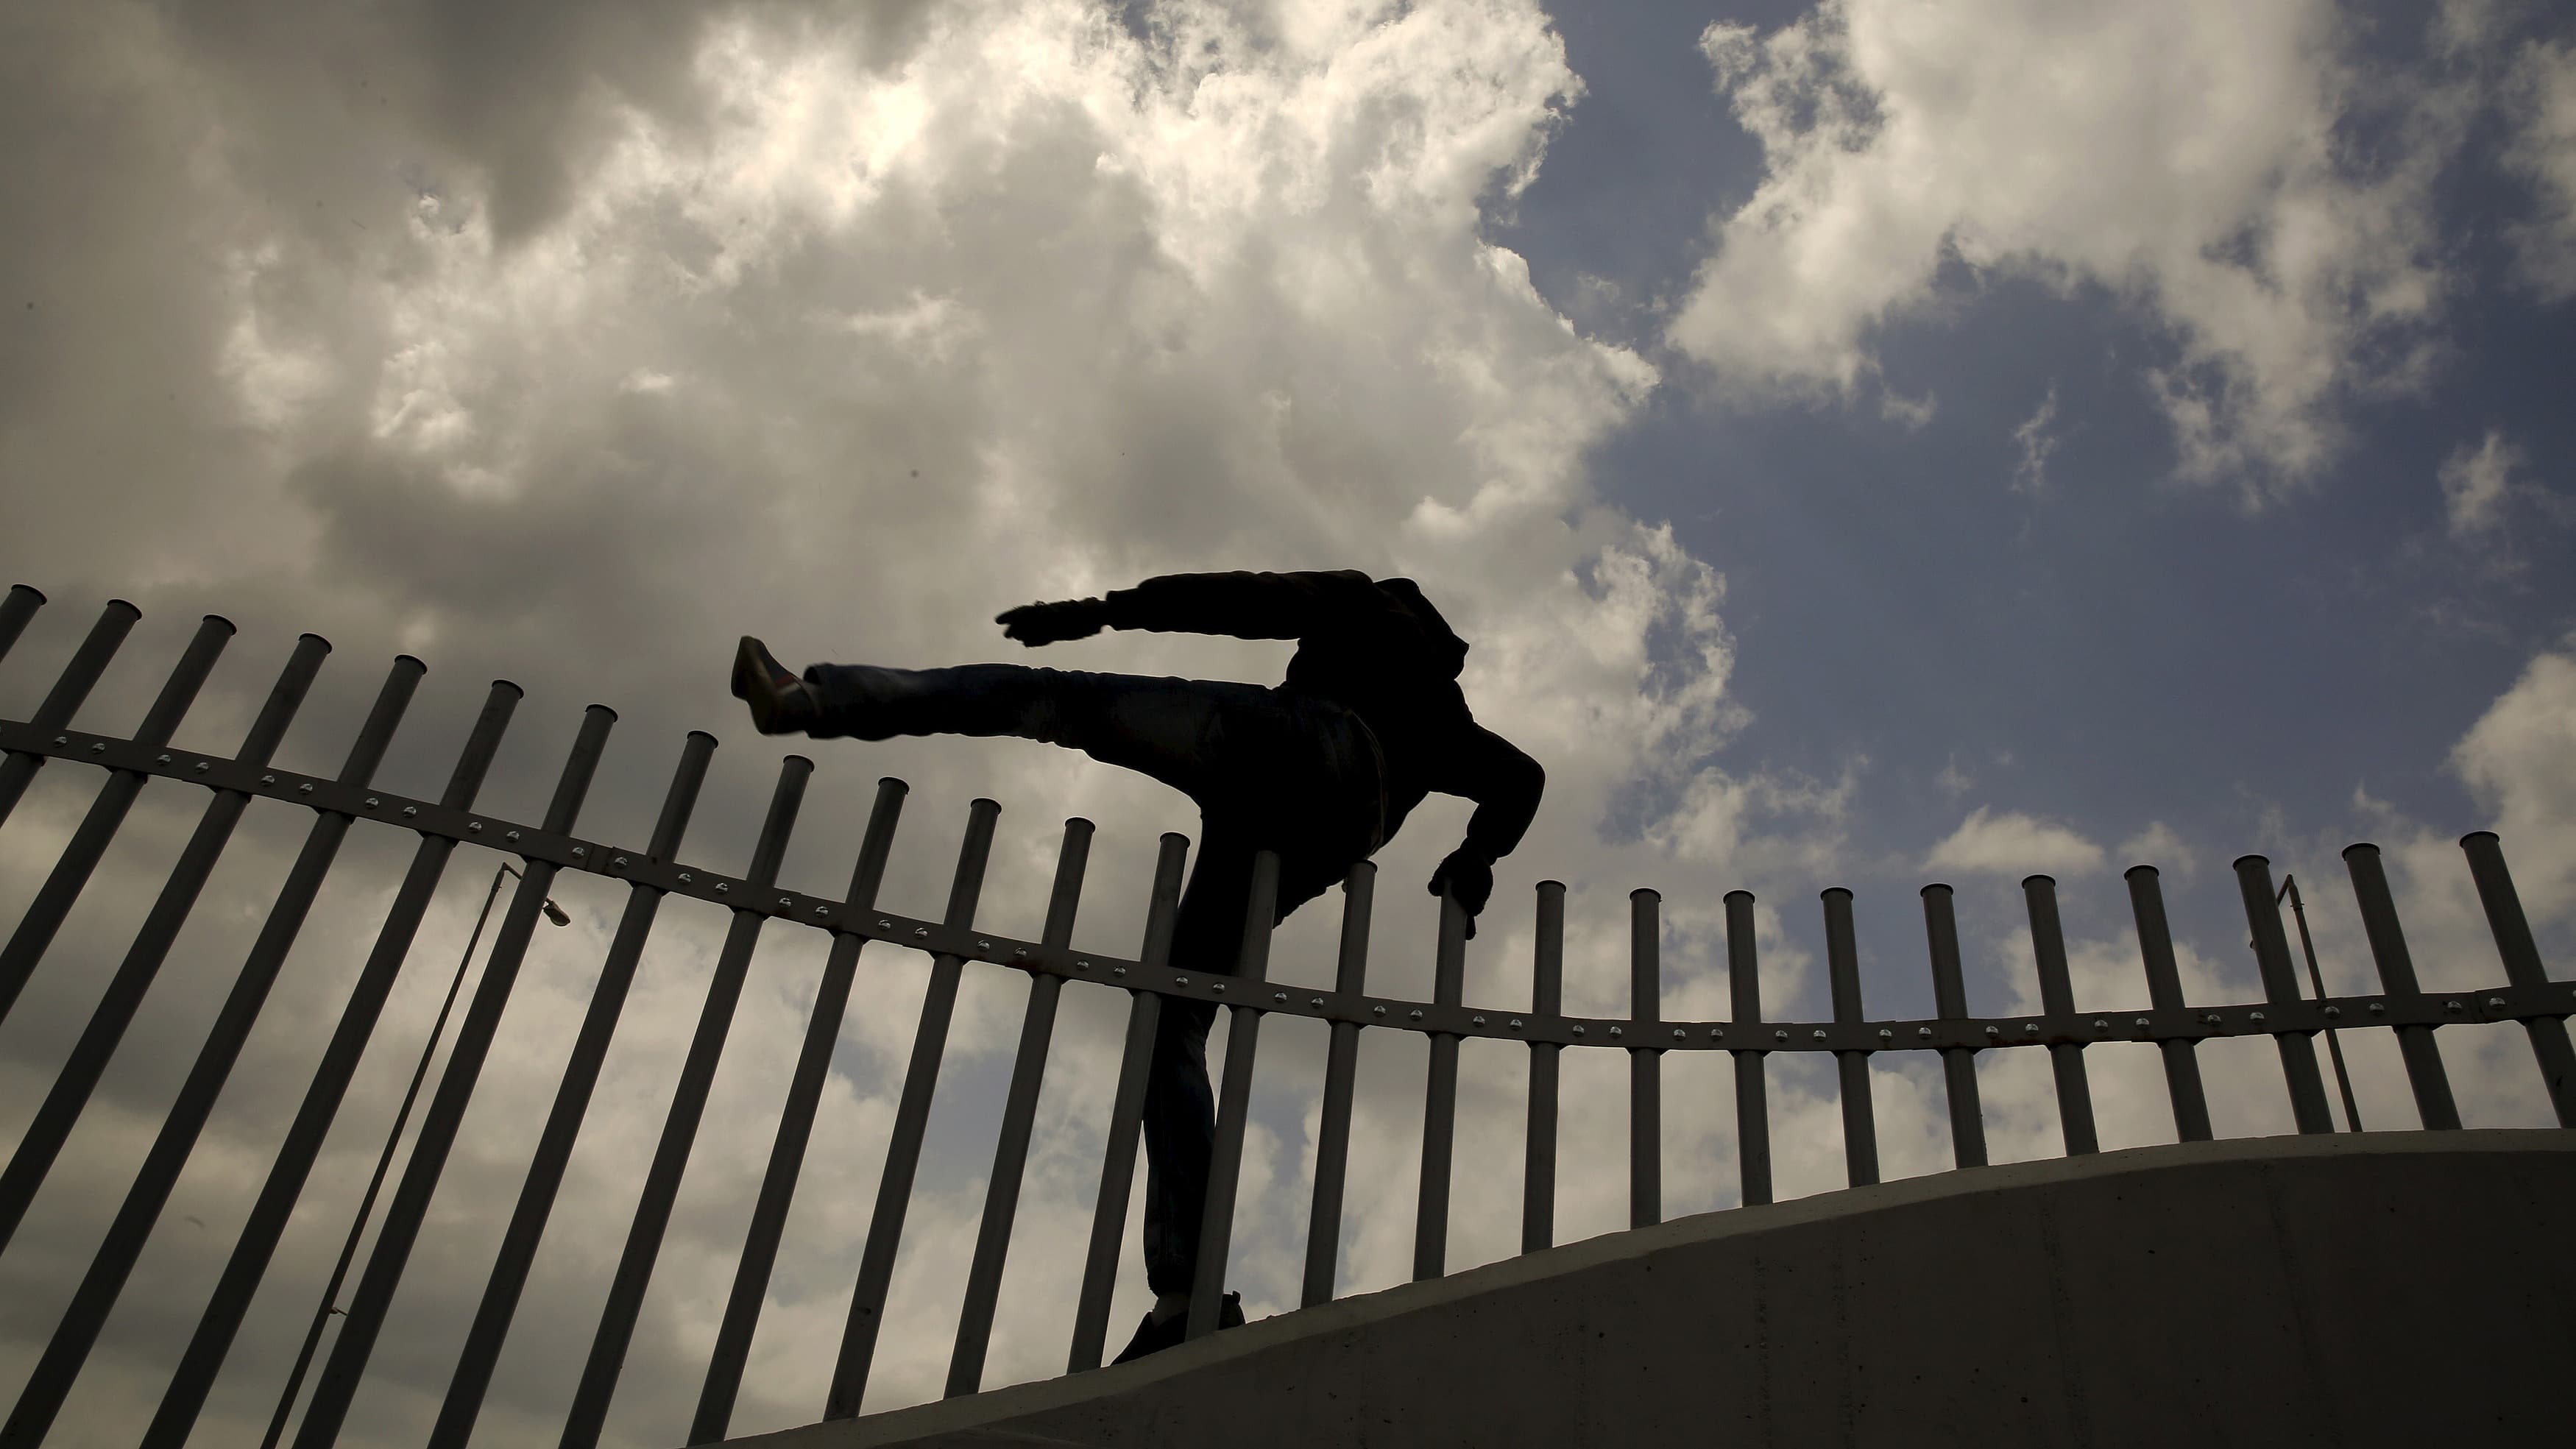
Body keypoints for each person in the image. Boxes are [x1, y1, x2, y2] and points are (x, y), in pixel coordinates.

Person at [730, 569, 1544, 1364]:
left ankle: (816, 698)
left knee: (1055, 699)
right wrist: (1475, 859)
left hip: (1299, 741)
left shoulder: (1365, 601)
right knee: (1171, 1017)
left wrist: (1106, 610)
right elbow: (1518, 778)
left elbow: (1248, 601)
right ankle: (1188, 1299)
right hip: (1340, 827)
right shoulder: (1447, 713)